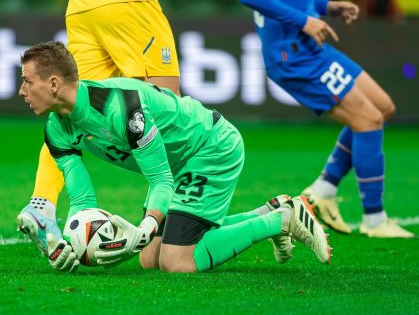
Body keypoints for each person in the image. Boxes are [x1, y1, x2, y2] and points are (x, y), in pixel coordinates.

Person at [19, 41, 331, 273]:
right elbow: (83, 200)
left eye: (28, 81)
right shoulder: (56, 128)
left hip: (210, 147)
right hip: (178, 163)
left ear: (55, 84)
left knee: (176, 260)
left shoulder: (121, 107)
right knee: (148, 258)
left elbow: (160, 180)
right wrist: (70, 243)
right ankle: (271, 209)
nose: (22, 90)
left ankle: (280, 220)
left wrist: (145, 226)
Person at [238, 0, 417, 238]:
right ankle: (374, 219)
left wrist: (326, 7)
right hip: (292, 53)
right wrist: (304, 20)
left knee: (382, 107)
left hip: (308, 45)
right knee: (367, 120)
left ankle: (322, 192)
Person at [16, 0, 182, 256]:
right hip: (126, 3)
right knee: (170, 111)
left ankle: (42, 204)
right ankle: (168, 226)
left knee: (70, 110)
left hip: (88, 5)